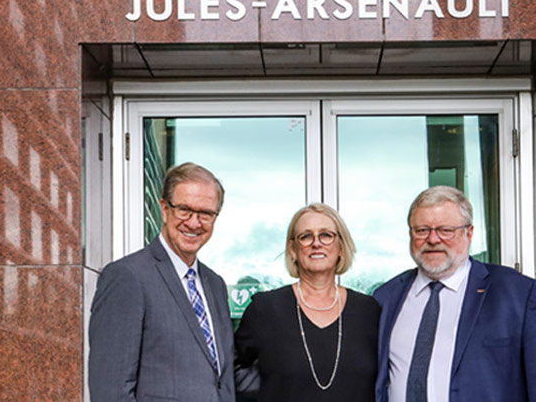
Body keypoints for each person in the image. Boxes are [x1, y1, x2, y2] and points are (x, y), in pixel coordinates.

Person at [374, 186, 536, 402]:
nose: (433, 239)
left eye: (445, 230)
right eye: (422, 230)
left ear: (469, 233)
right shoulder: (386, 297)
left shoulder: (516, 293)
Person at [89, 162, 235, 402]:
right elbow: (110, 390)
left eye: (205, 213)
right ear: (164, 209)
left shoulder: (215, 285)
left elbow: (221, 377)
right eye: (185, 209)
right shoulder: (127, 276)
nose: (194, 222)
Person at [234, 203, 380, 402]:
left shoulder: (369, 311)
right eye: (306, 236)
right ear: (293, 250)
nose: (316, 243)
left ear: (341, 248)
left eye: (326, 235)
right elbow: (229, 375)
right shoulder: (265, 309)